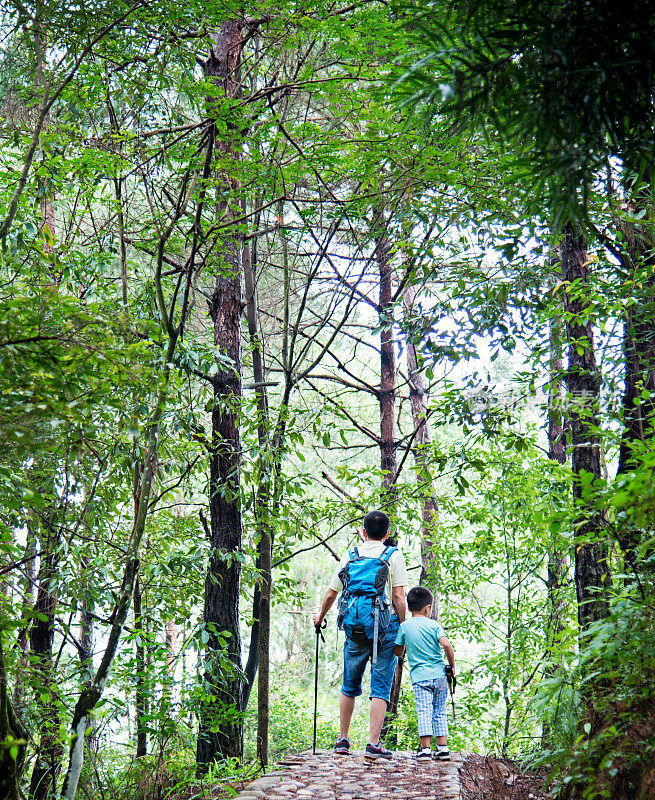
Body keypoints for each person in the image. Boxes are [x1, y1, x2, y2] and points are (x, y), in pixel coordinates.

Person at [312, 509, 408, 759]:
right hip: (385, 630)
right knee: (380, 685)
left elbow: (332, 593)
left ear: (364, 532)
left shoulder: (351, 555)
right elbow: (398, 596)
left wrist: (320, 618)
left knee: (349, 683)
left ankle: (342, 740)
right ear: (387, 534)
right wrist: (403, 626)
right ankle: (373, 744)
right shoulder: (393, 555)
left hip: (354, 627)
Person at [393, 586, 456, 762]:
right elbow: (447, 645)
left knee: (424, 710)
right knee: (439, 710)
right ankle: (443, 748)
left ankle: (426, 749)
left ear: (409, 607)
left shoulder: (405, 627)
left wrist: (404, 643)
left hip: (420, 678)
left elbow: (397, 651)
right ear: (428, 608)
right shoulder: (434, 625)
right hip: (440, 676)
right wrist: (452, 667)